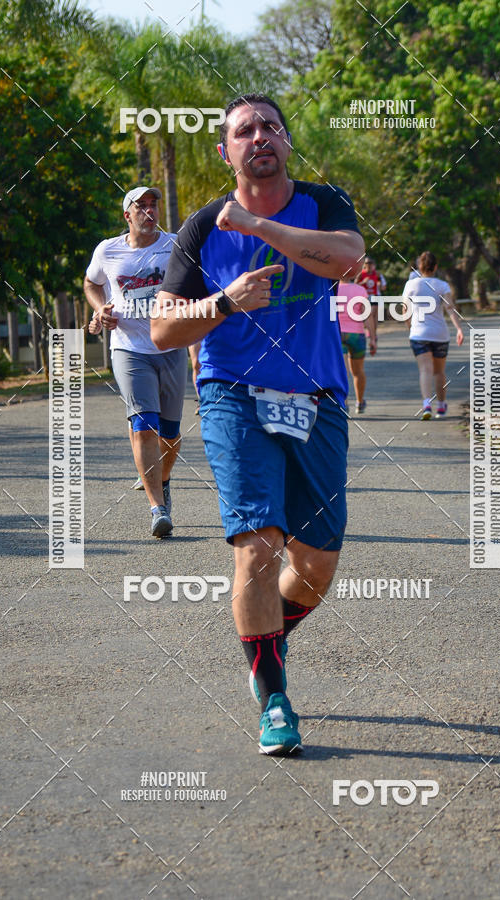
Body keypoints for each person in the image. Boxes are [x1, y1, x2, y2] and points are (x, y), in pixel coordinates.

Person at [151, 93, 364, 755]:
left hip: (317, 399)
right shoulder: (199, 229)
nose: (260, 137)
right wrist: (224, 301)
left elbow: (346, 259)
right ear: (227, 150)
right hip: (233, 395)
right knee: (259, 543)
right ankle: (273, 695)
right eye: (245, 131)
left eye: (271, 127)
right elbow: (162, 327)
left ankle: (261, 642)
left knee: (317, 565)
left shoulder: (325, 202)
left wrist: (259, 227)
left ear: (287, 142)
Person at [84, 186, 187, 538]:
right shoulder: (108, 250)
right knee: (144, 424)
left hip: (171, 346)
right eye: (140, 207)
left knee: (171, 435)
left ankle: (164, 478)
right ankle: (158, 508)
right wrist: (100, 311)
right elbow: (91, 283)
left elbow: (194, 284)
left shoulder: (175, 245)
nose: (149, 211)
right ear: (126, 215)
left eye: (153, 205)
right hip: (128, 349)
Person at [402, 250, 464, 420]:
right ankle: (442, 405)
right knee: (439, 372)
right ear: (435, 267)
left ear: (419, 267)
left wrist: (410, 328)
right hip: (440, 333)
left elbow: (405, 310)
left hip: (418, 333)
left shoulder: (411, 285)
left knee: (425, 370)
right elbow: (450, 308)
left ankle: (426, 403)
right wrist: (459, 328)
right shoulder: (442, 285)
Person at [337, 278, 376, 413]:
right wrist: (372, 338)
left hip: (338, 334)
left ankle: (344, 403)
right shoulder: (360, 290)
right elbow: (367, 315)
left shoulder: (333, 289)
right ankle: (359, 403)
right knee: (358, 372)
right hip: (357, 335)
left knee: (343, 371)